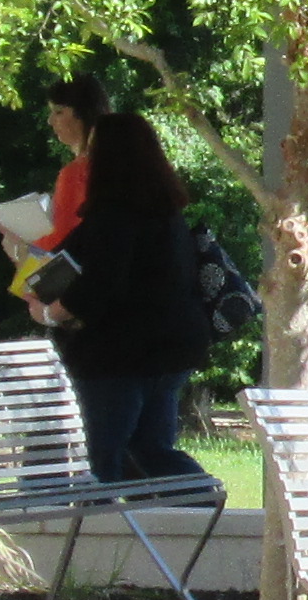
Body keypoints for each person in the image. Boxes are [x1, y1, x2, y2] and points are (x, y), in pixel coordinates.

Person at [14, 89, 211, 482]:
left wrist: (49, 313)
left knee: (101, 454)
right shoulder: (168, 215)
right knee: (151, 448)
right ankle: (199, 507)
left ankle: (123, 524)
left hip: (117, 355)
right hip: (172, 349)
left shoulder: (111, 217)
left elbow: (92, 286)